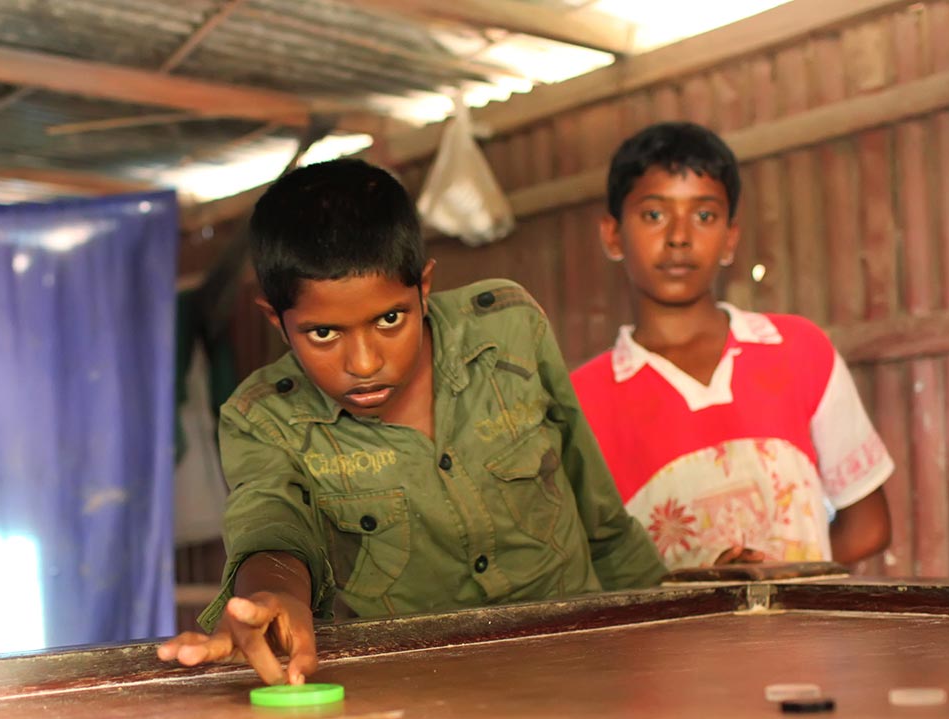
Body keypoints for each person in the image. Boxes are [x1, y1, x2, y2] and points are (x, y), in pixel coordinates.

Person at [157, 159, 665, 685]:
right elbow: (272, 526)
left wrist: (666, 636)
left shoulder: (508, 331)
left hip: (588, 674)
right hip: (419, 701)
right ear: (277, 322)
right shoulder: (263, 417)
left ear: (423, 289)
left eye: (390, 319)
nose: (364, 362)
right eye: (324, 334)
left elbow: (601, 517)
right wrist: (276, 596)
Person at [570, 122, 893, 570]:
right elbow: (588, 571)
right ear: (612, 234)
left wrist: (777, 584)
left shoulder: (799, 351)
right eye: (653, 215)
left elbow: (868, 526)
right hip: (669, 644)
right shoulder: (579, 404)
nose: (679, 236)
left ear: (730, 239)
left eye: (704, 216)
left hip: (806, 639)